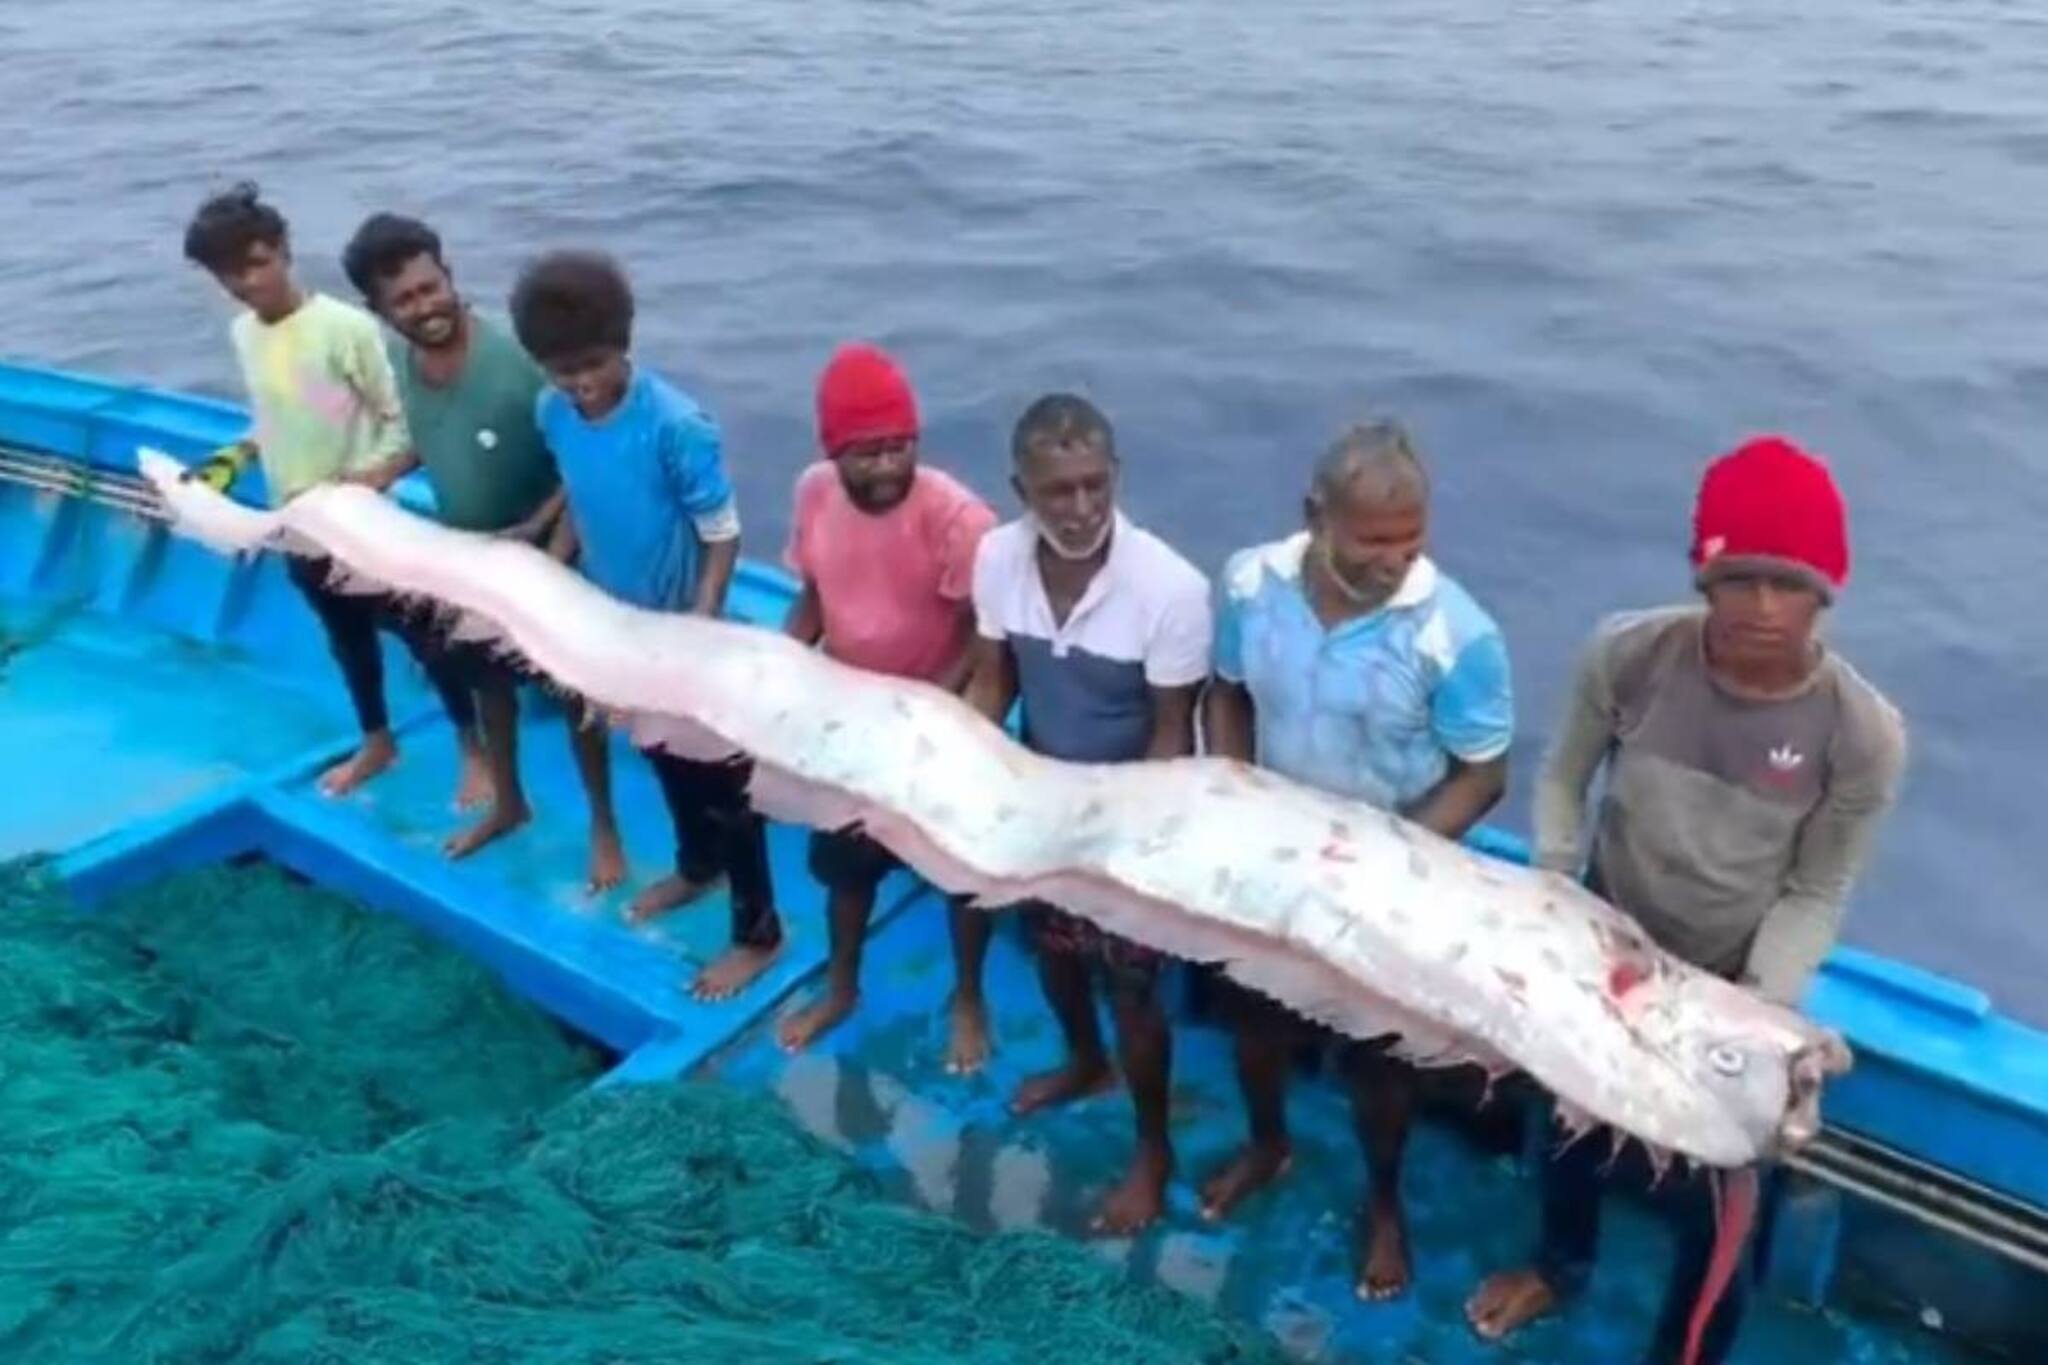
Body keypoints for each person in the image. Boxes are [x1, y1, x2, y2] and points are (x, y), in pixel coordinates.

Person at [1464, 436, 1907, 1363]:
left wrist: (1757, 1006)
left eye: (1787, 584)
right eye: (1738, 578)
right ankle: (1560, 1265)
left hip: (1735, 977)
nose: (1761, 606)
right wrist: (1558, 889)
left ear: (1825, 592)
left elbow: (1817, 886)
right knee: (1570, 1130)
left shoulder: (1862, 735)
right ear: (1703, 575)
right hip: (1606, 937)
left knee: (1725, 1201)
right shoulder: (1629, 656)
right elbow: (1565, 778)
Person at [1198, 420, 1513, 1299]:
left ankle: (1382, 1203)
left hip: (1388, 877)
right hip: (1271, 858)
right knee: (1255, 1020)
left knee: (1380, 1060)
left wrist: (1386, 855)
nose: (1395, 560)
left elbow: (1484, 773)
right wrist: (1234, 792)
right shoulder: (1250, 584)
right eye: (1373, 540)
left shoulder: (1458, 635)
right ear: (1316, 516)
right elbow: (1227, 691)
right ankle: (1269, 1143)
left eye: (1412, 539)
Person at [963, 393, 1212, 1234]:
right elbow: (994, 680)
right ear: (1020, 490)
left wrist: (1127, 855)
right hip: (1039, 797)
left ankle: (1153, 1149)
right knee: (1053, 953)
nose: (1078, 508)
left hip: (1129, 819)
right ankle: (1083, 1061)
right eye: (1056, 491)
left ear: (1117, 476)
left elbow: (1171, 734)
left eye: (1093, 486)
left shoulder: (1172, 588)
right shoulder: (997, 557)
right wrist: (963, 775)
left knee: (1133, 989)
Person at [507, 248, 782, 999]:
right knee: (660, 754)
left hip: (687, 630)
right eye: (563, 371)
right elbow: (579, 490)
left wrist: (701, 621)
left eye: (594, 364)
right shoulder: (551, 412)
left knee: (727, 787)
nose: (581, 384)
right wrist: (551, 569)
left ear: (624, 344)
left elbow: (722, 532)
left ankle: (759, 933)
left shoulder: (677, 425)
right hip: (617, 625)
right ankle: (698, 866)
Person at [181, 183, 480, 803]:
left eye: (258, 263)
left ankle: (474, 749)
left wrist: (366, 481)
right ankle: (377, 740)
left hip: (362, 526)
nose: (248, 283)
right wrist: (240, 454)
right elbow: (279, 413)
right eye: (229, 273)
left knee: (426, 640)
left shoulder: (346, 329)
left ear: (284, 251)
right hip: (297, 523)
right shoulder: (245, 334)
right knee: (347, 639)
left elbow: (402, 423)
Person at [338, 212, 601, 864]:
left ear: (450, 278)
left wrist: (541, 533)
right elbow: (429, 436)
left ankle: (604, 830)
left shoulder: (517, 365)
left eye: (430, 288)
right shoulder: (400, 363)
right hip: (471, 561)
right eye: (403, 300)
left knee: (578, 701)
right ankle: (509, 803)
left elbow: (586, 458)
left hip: (551, 560)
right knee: (491, 692)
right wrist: (382, 472)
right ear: (379, 311)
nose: (424, 307)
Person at [775, 343, 1000, 1063]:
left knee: (962, 877)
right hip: (850, 719)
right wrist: (776, 665)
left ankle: (968, 996)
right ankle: (842, 987)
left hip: (938, 717)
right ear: (832, 452)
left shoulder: (960, 520)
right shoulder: (814, 492)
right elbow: (813, 597)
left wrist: (929, 714)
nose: (884, 468)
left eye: (898, 448)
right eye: (864, 453)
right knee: (846, 869)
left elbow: (985, 638)